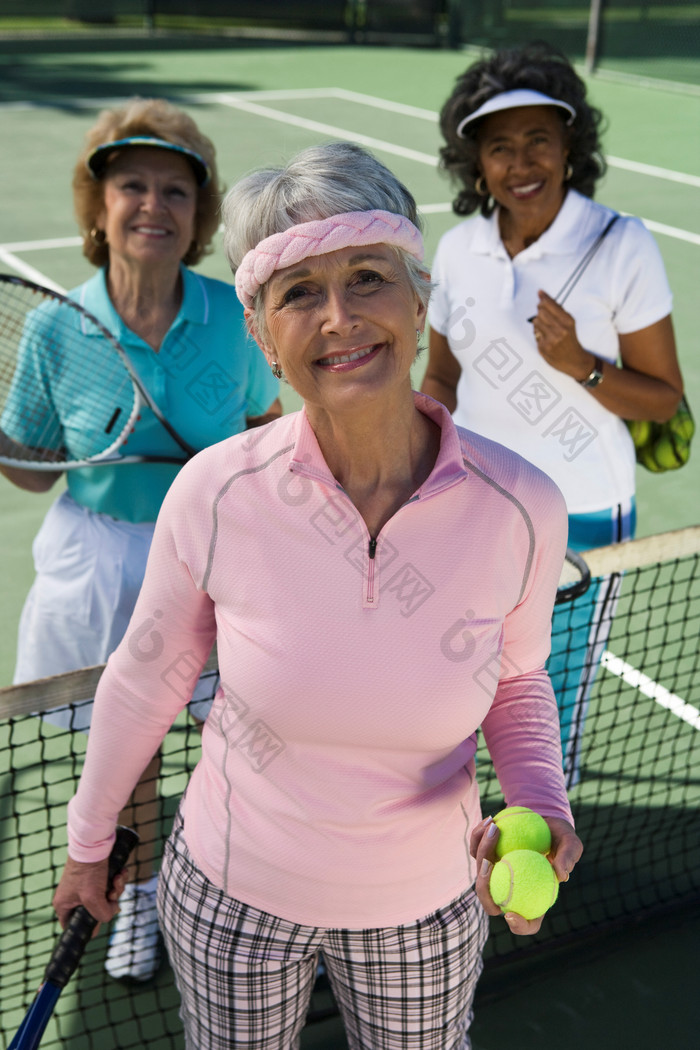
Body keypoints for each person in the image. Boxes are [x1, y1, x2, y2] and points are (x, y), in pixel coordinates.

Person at [52, 140, 582, 1049]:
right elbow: (146, 680)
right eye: (299, 292)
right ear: (260, 333)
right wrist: (88, 838)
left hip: (423, 907)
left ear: (420, 302)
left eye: (368, 277)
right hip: (229, 894)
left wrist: (543, 804)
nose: (339, 318)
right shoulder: (214, 492)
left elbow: (520, 682)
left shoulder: (524, 506)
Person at [2, 97, 280, 981]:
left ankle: (248, 889)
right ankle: (143, 899)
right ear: (98, 204)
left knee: (246, 736)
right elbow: (37, 467)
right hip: (100, 562)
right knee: (133, 753)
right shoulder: (56, 327)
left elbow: (266, 432)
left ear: (199, 216)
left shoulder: (235, 316)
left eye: (176, 190)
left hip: (214, 559)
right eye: (132, 186)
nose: (153, 205)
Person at [422, 43, 685, 786]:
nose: (521, 162)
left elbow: (663, 396)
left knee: (545, 704)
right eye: (499, 147)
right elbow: (440, 374)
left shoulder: (621, 244)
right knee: (455, 687)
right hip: (468, 506)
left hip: (584, 515)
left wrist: (583, 366)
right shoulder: (457, 250)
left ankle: (538, 851)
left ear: (572, 147)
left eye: (539, 138)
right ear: (476, 165)